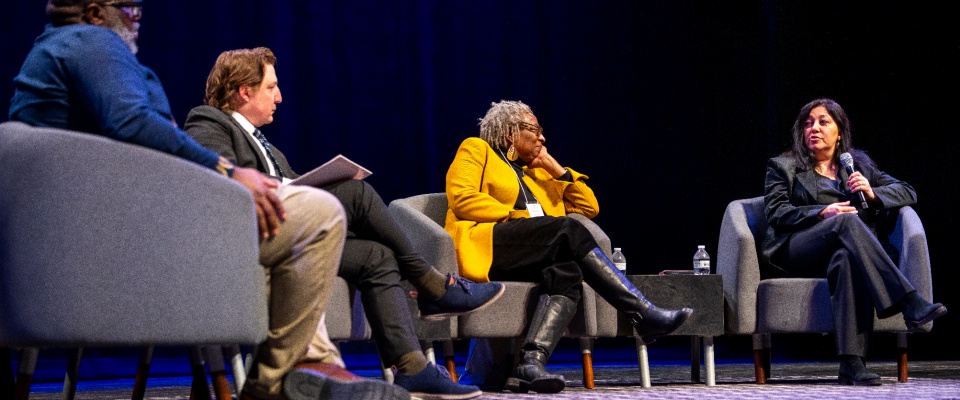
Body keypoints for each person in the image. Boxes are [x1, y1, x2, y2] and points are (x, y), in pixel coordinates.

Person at [7, 2, 398, 399]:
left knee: (283, 229)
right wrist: (228, 172)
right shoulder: (92, 42)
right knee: (317, 213)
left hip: (91, 238)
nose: (138, 15)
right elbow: (132, 123)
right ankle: (280, 380)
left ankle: (306, 367)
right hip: (122, 243)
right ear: (93, 12)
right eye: (128, 7)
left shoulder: (55, 52)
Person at [184, 47, 503, 400]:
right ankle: (431, 284)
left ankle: (412, 368)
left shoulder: (269, 148)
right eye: (271, 87)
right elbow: (216, 181)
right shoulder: (209, 121)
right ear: (245, 90)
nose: (280, 96)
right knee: (354, 192)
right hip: (250, 236)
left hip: (293, 233)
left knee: (377, 255)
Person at [444, 100, 693, 394]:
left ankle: (530, 364)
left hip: (536, 246)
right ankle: (642, 312)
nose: (542, 137)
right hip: (491, 242)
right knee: (567, 229)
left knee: (567, 269)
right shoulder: (478, 150)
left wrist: (555, 168)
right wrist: (515, 216)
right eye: (534, 130)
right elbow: (462, 198)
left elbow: (589, 207)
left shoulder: (538, 172)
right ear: (510, 132)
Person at [762, 98, 947, 386]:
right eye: (808, 123)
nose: (814, 128)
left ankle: (852, 363)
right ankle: (907, 300)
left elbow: (908, 191)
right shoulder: (784, 166)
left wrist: (872, 193)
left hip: (845, 253)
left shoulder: (857, 166)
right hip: (798, 247)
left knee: (846, 260)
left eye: (824, 122)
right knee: (846, 220)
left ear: (839, 132)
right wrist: (823, 212)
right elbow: (776, 212)